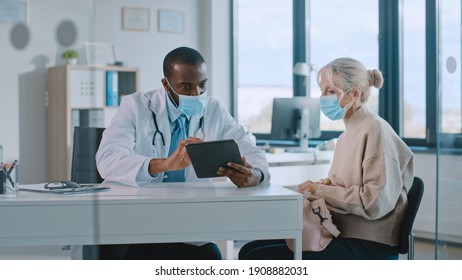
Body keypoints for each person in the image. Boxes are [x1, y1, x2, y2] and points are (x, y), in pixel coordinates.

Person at [82, 46, 270, 260]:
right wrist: (164, 164)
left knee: (210, 257)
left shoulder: (214, 110)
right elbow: (108, 159)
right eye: (186, 87)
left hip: (186, 221)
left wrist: (255, 175)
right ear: (166, 84)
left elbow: (253, 153)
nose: (196, 94)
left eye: (202, 85)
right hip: (135, 221)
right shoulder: (135, 106)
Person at [239, 57, 414, 260]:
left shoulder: (375, 129)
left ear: (354, 93)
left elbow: (374, 203)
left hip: (368, 243)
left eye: (330, 91)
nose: (323, 97)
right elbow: (344, 186)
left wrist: (321, 190)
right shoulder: (345, 137)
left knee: (255, 258)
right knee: (248, 250)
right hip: (340, 232)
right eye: (322, 91)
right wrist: (321, 187)